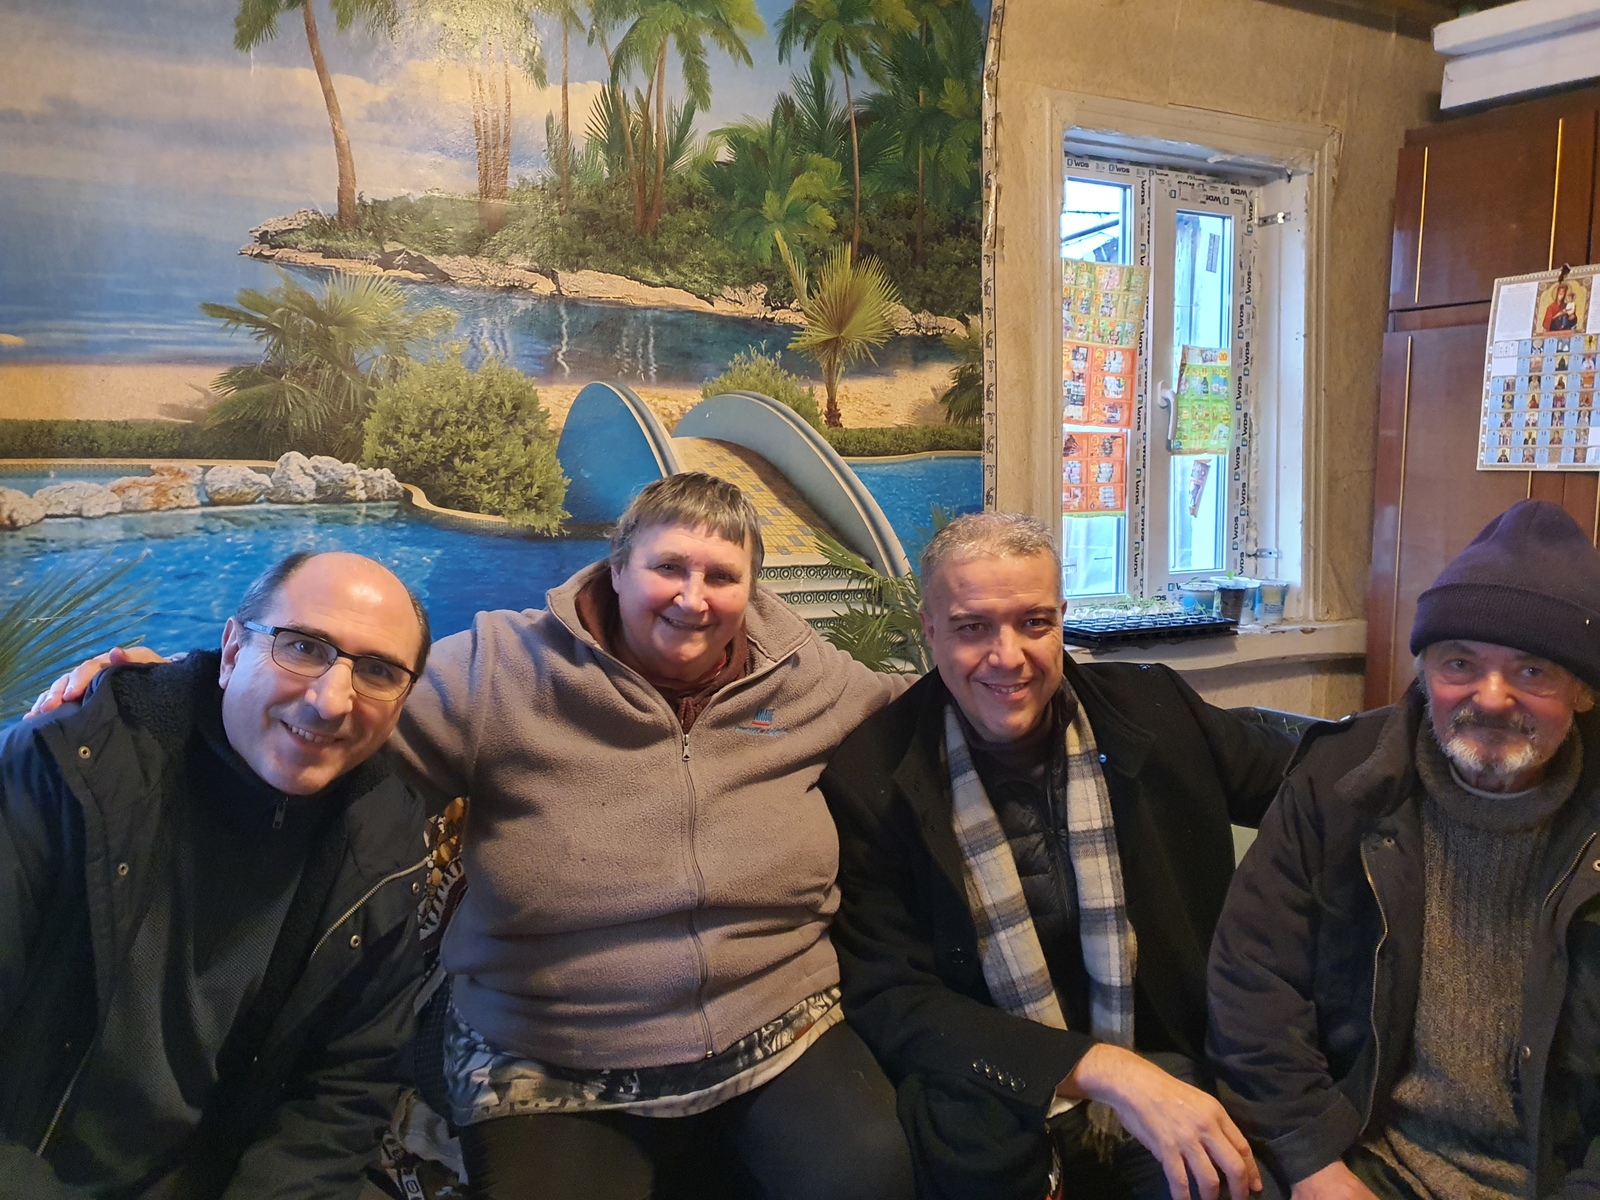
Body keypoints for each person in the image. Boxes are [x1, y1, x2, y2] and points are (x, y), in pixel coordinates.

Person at [29, 474, 915, 1200]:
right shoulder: (501, 669)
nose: (693, 598)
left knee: (873, 1178)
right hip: (552, 1053)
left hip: (779, 1023)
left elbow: (924, 706)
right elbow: (335, 706)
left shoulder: (804, 677)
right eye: (668, 567)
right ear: (617, 569)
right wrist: (170, 690)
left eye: (722, 576)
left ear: (752, 591)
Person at [818, 512, 1299, 1200]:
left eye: (1034, 623)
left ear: (1061, 619)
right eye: (972, 627)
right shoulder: (872, 776)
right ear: (930, 630)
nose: (1008, 656)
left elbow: (1309, 790)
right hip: (997, 1099)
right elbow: (895, 1000)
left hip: (1170, 1061)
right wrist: (1103, 1069)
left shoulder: (1154, 711)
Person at [0, 551, 434, 1199]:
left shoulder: (384, 846)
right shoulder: (68, 770)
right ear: (231, 652)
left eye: (377, 670)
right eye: (302, 647)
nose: (330, 700)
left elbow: (344, 1094)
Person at [1207, 499, 1600, 1200]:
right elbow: (1254, 982)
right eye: (1460, 663)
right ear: (1423, 671)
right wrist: (1313, 1161)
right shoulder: (1340, 780)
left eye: (1533, 671)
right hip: (1369, 1158)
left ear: (1584, 693)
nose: (1491, 698)